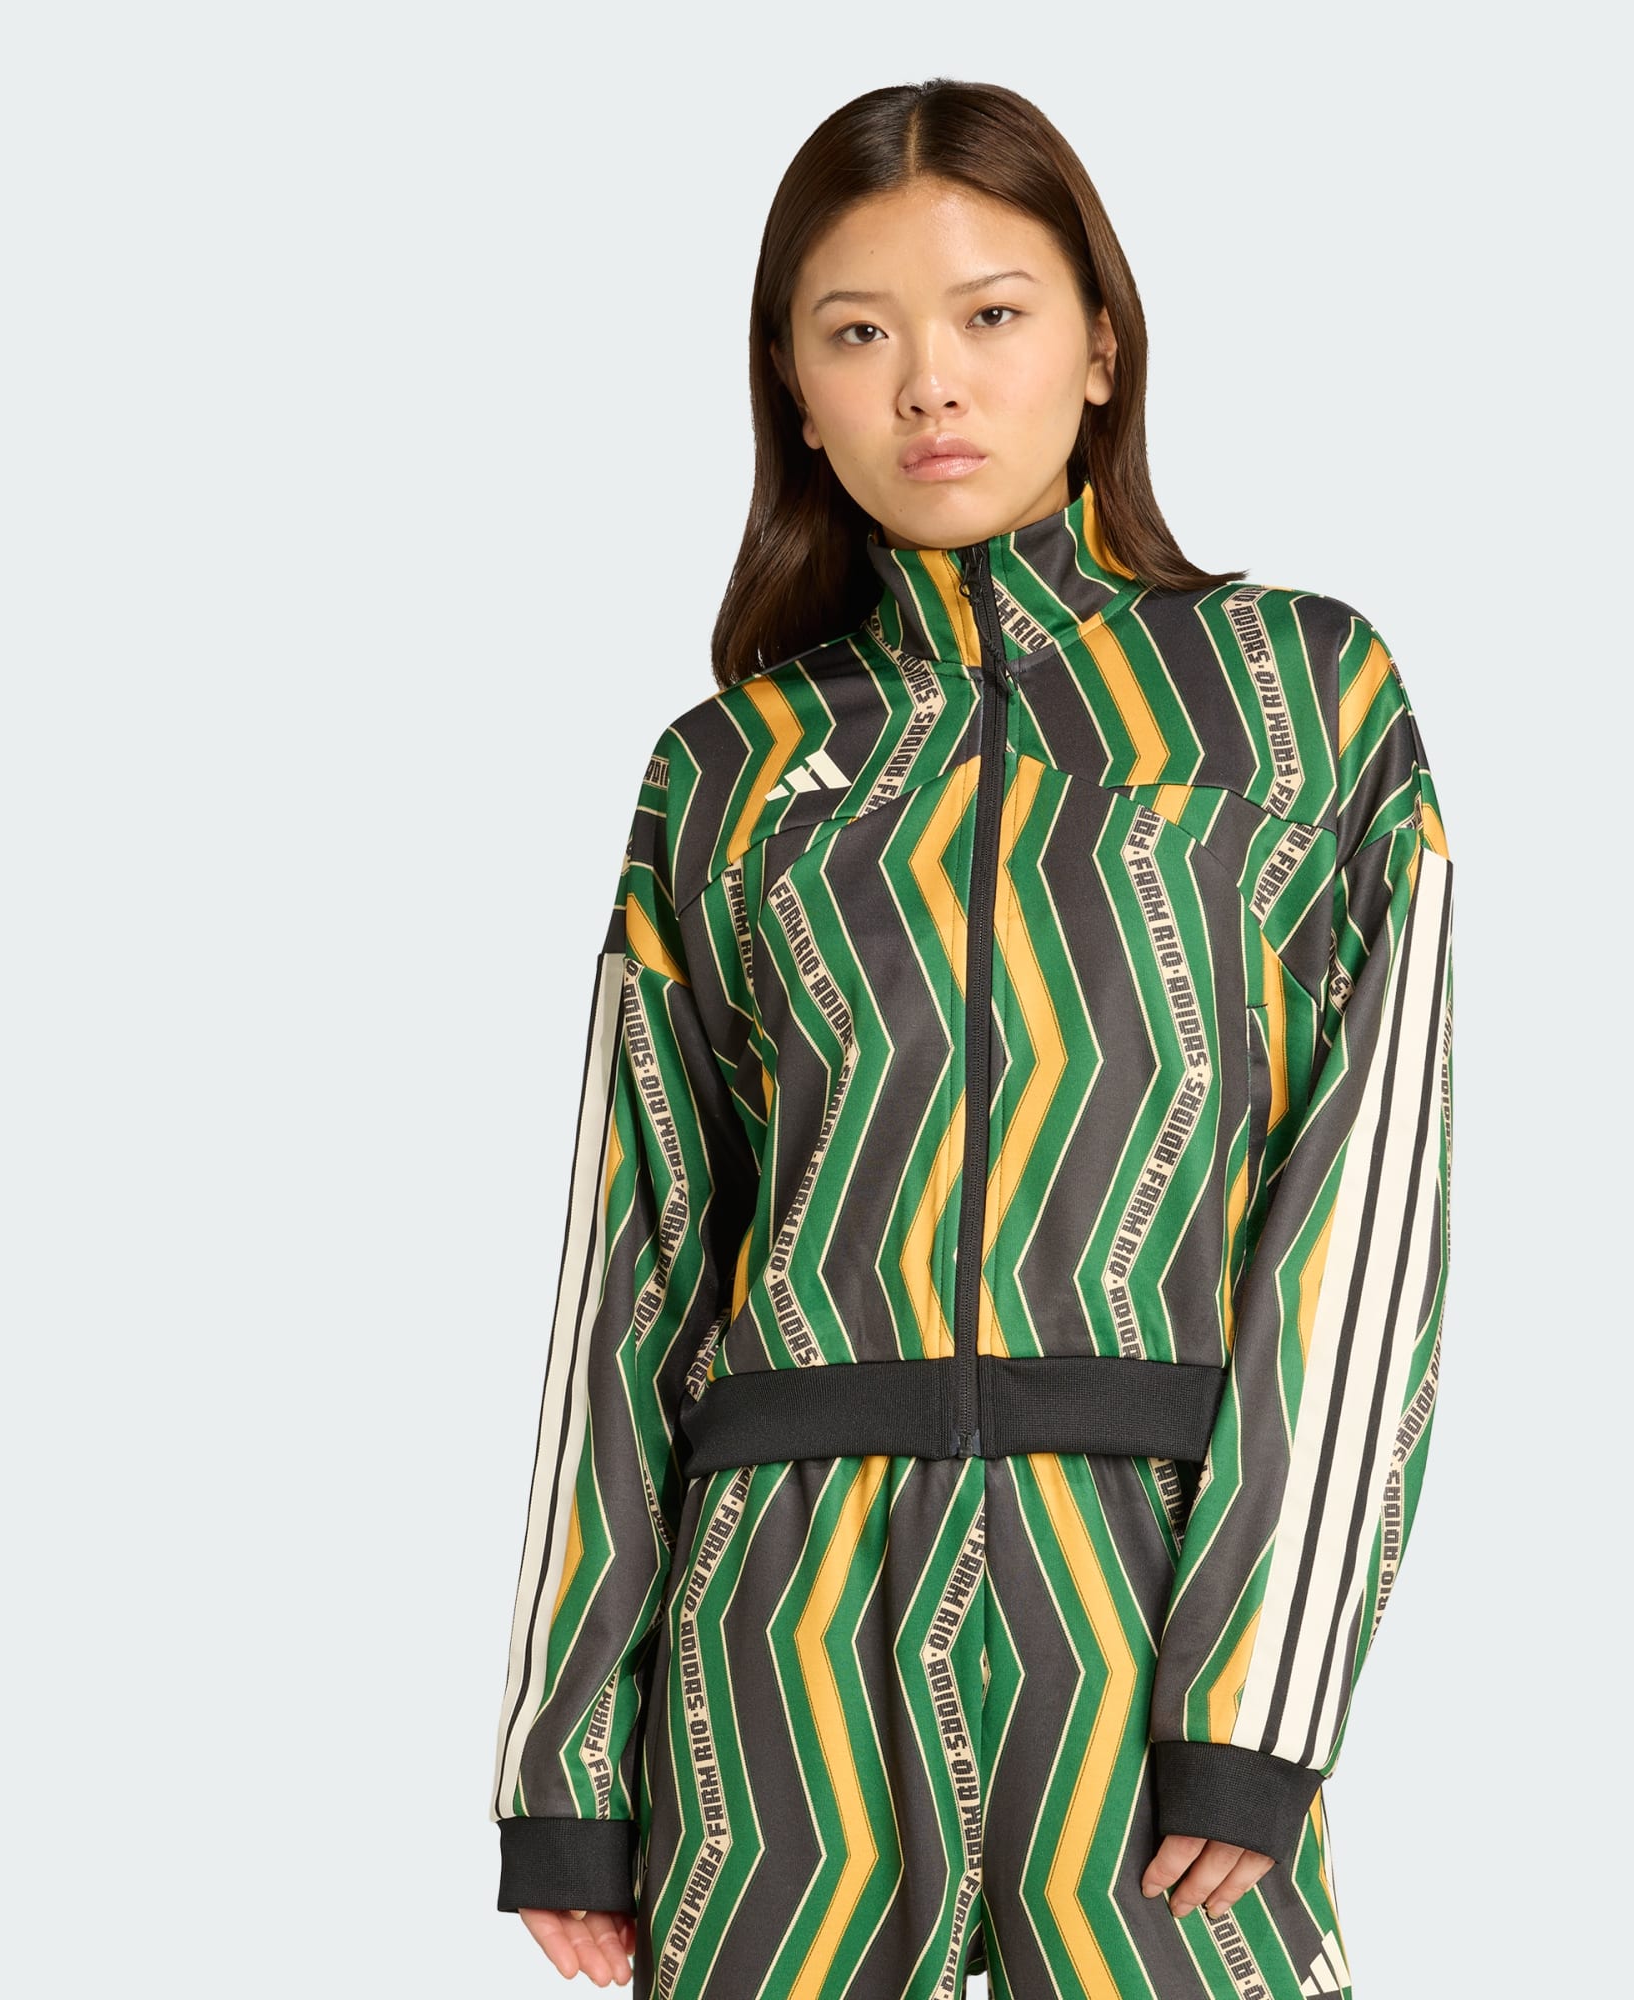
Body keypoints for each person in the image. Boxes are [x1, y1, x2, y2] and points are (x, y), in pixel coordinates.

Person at [488, 76, 1454, 1999]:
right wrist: (566, 1758)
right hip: (774, 1667)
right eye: (858, 334)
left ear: (1100, 345)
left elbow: (1369, 1221)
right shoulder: (726, 773)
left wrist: (1260, 1699)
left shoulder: (1301, 700)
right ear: (796, 391)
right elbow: (633, 1270)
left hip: (1143, 1626)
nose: (929, 384)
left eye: (990, 315)